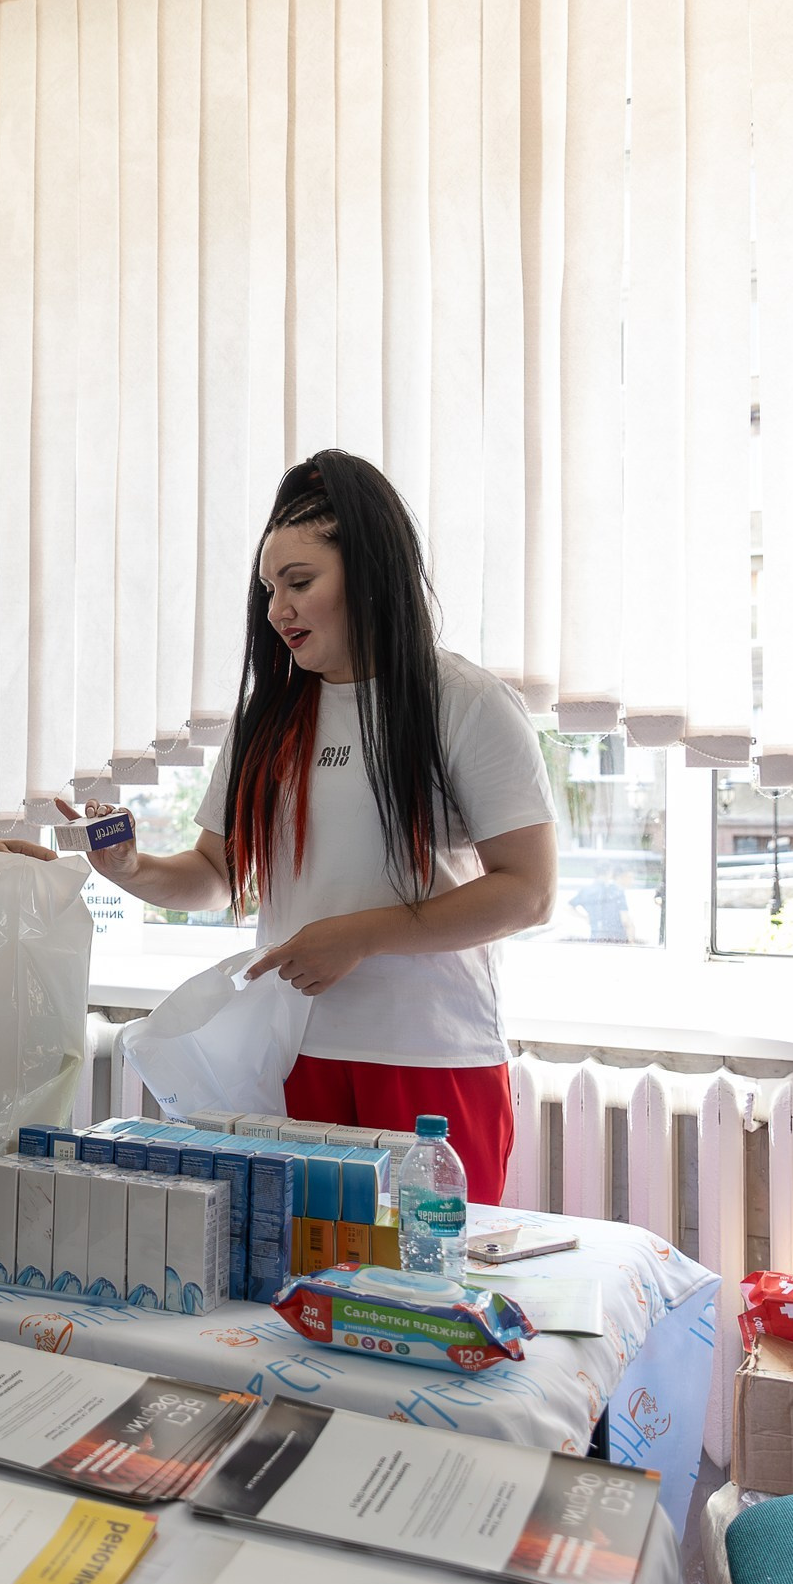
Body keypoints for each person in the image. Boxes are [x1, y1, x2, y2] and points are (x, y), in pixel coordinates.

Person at [63, 450, 557, 1203]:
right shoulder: (269, 719)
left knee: (426, 1299)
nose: (276, 610)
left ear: (370, 572)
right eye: (269, 589)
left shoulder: (463, 700)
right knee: (298, 1292)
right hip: (293, 1052)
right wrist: (131, 867)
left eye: (300, 583)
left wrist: (359, 933)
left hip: (429, 1058)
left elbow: (528, 892)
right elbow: (214, 872)